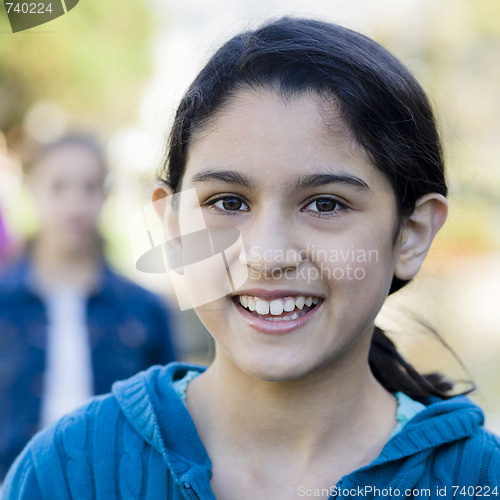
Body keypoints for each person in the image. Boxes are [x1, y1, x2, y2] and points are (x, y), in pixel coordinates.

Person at [3, 18, 500, 499]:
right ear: (174, 226)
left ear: (410, 235)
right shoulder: (69, 472)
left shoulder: (478, 480)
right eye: (228, 202)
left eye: (325, 204)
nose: (267, 256)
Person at [0, 134, 177, 481]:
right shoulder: (4, 304)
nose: (75, 202)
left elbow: (166, 422)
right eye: (59, 186)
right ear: (33, 190)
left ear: (104, 194)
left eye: (89, 187)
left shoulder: (143, 310)